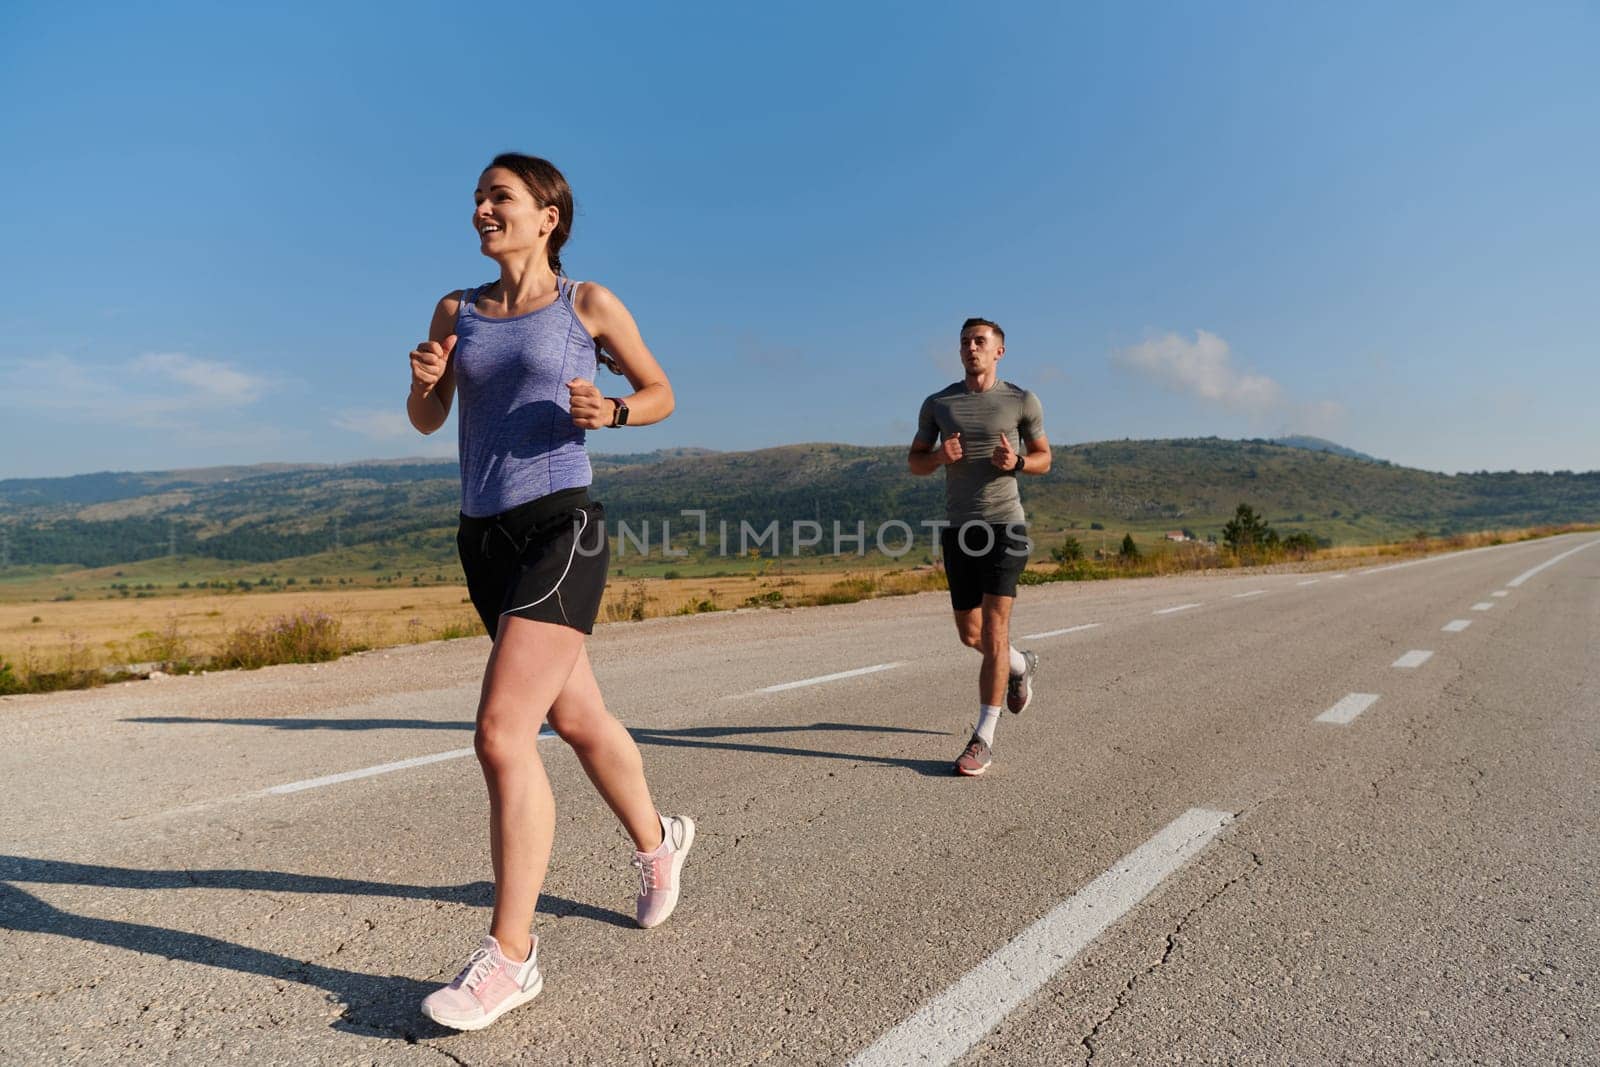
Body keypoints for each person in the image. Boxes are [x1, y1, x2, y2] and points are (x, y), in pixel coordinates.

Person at [405, 153, 694, 1031]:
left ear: (547, 215)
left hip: (562, 526)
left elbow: (662, 392)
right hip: (482, 537)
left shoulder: (587, 304)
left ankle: (512, 955)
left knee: (502, 731)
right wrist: (424, 386)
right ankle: (660, 842)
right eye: (479, 198)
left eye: (501, 197)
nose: (482, 209)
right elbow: (428, 419)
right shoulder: (457, 310)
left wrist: (614, 411)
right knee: (575, 717)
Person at [908, 317, 1052, 776]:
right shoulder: (939, 404)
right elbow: (915, 463)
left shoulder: (1021, 400)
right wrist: (938, 458)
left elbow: (1045, 459)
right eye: (966, 342)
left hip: (1005, 527)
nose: (972, 348)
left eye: (980, 341)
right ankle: (1018, 664)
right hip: (959, 530)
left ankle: (982, 738)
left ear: (999, 352)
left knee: (993, 630)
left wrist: (1019, 461)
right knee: (972, 636)